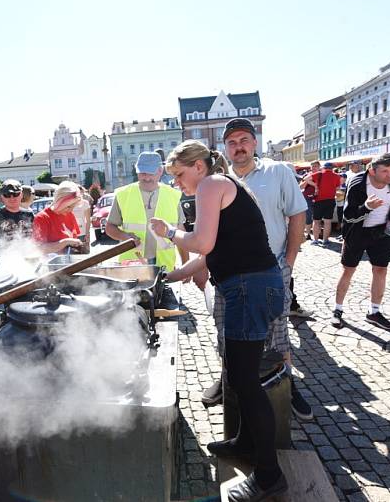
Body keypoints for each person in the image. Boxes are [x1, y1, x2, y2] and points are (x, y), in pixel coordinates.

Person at [150, 140, 287, 501]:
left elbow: (203, 243)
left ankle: (269, 476)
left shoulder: (212, 185)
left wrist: (168, 233)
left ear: (198, 166)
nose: (177, 182)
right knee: (237, 372)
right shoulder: (224, 185)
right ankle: (244, 441)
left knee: (245, 379)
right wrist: (172, 276)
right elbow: (218, 251)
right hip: (253, 286)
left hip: (249, 288)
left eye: (179, 174)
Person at [192, 118, 313, 419]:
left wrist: (289, 262)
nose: (238, 147)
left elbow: (298, 215)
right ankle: (228, 379)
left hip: (270, 270)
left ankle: (286, 383)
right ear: (225, 148)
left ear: (255, 142)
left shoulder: (277, 172)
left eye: (244, 139)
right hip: (231, 275)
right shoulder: (220, 179)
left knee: (277, 333)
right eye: (232, 142)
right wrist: (200, 266)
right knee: (226, 330)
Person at [333, 153, 390, 331]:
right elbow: (349, 216)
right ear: (372, 171)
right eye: (385, 171)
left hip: (382, 231)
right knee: (348, 270)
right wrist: (366, 207)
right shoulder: (358, 183)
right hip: (357, 232)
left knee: (380, 270)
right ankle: (337, 310)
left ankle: (374, 312)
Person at [105, 151, 188, 271]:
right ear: (137, 171)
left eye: (151, 173)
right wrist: (124, 236)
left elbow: (180, 232)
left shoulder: (172, 196)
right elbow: (109, 227)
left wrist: (186, 265)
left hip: (164, 266)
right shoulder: (123, 195)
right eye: (143, 173)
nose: (147, 178)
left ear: (160, 171)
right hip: (131, 267)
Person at [33, 181, 85, 254]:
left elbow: (75, 238)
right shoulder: (42, 218)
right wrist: (65, 242)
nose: (70, 210)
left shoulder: (70, 214)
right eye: (68, 206)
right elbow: (39, 248)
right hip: (51, 263)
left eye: (73, 206)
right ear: (59, 201)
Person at [308, 162, 340, 247]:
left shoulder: (319, 174)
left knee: (316, 221)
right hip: (330, 200)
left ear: (324, 167)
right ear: (332, 168)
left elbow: (306, 179)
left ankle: (315, 240)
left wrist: (315, 185)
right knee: (328, 222)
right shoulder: (337, 176)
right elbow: (337, 188)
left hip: (318, 200)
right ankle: (325, 240)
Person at [298, 163, 318, 240]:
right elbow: (301, 186)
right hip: (307, 198)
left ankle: (316, 234)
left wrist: (315, 184)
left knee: (317, 217)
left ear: (319, 167)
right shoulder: (306, 175)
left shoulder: (321, 175)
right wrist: (307, 180)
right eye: (313, 166)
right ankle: (308, 234)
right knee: (308, 216)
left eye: (316, 166)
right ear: (310, 167)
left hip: (318, 198)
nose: (314, 168)